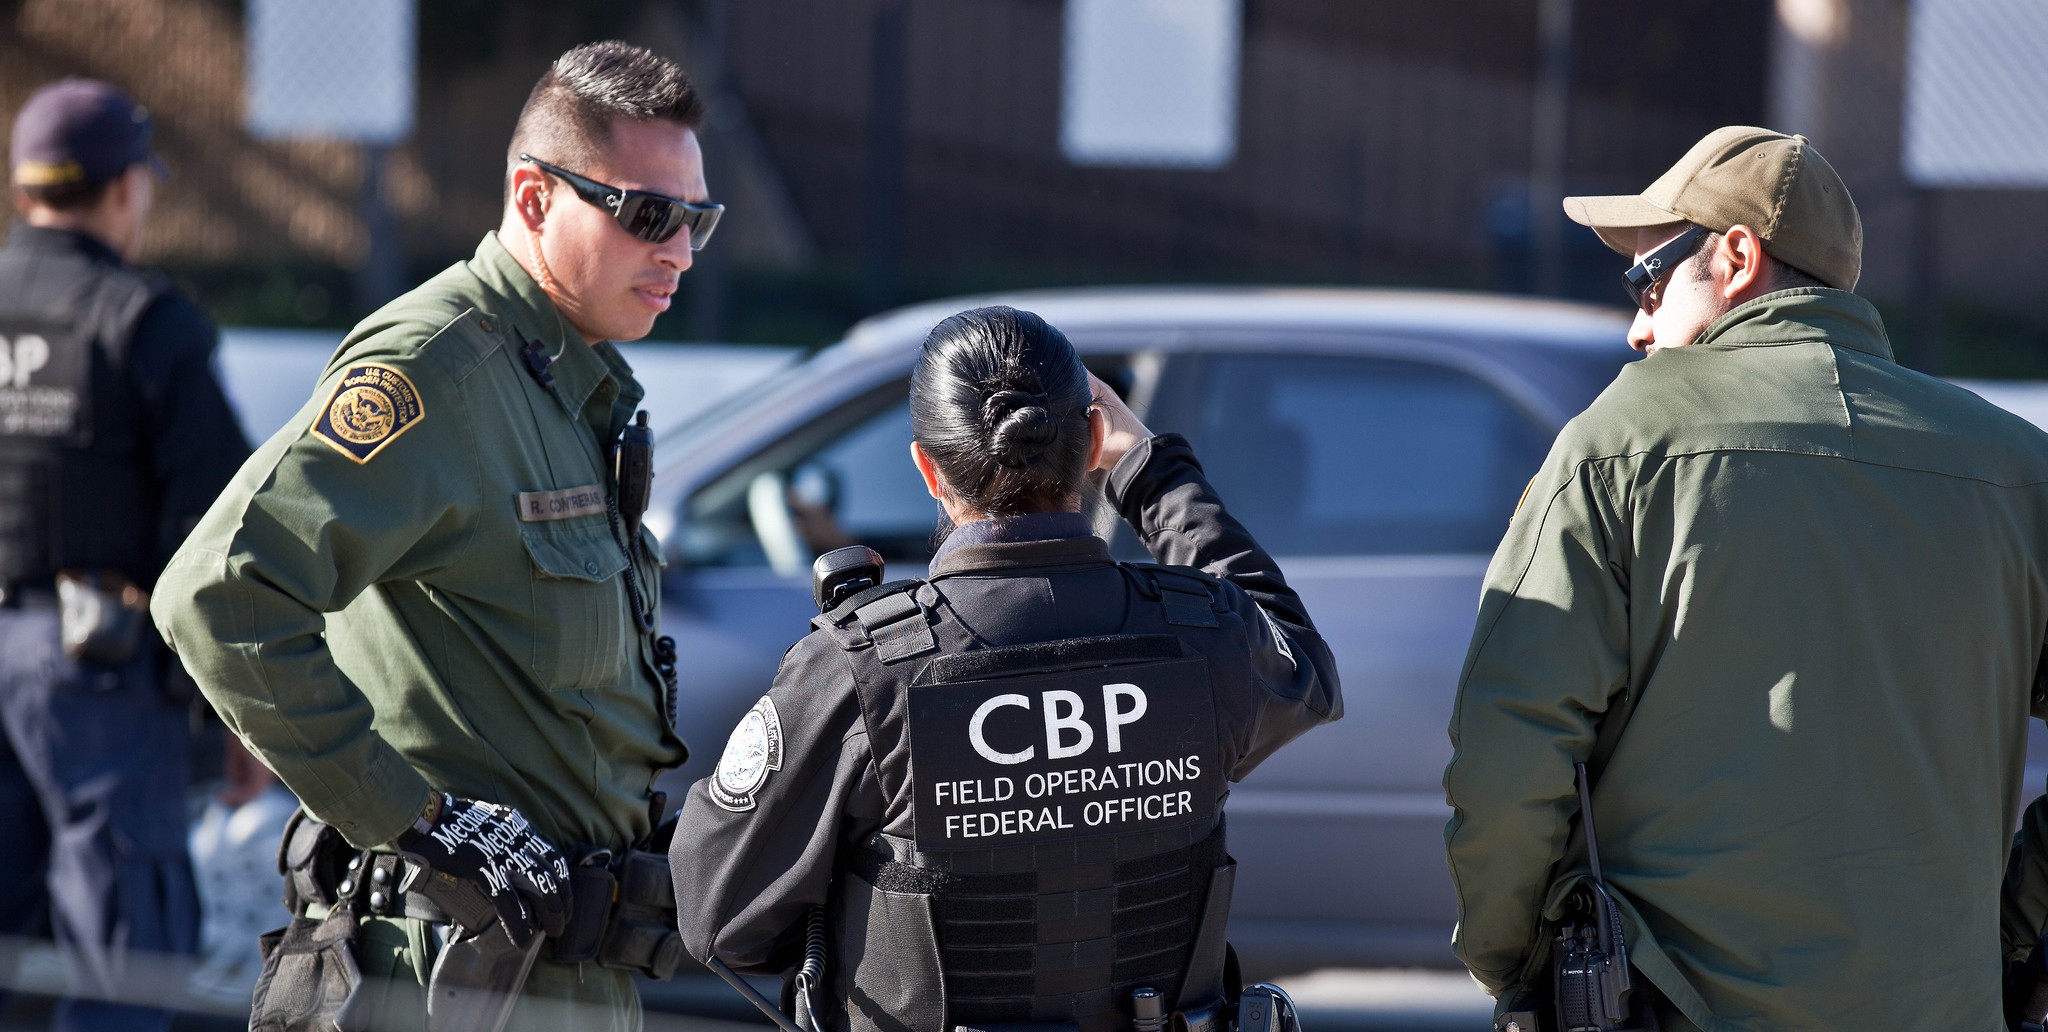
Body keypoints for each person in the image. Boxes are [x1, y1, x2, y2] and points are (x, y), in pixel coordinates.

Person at [150, 41, 722, 1030]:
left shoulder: (570, 382)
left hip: (561, 970)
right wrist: (416, 819)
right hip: (449, 978)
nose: (674, 249)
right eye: (646, 214)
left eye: (695, 221)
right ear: (534, 199)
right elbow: (217, 593)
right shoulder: (437, 370)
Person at [1443, 125, 2048, 1031]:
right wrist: (2011, 935)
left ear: (1735, 257)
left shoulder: (1620, 443)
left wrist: (1529, 965)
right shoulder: (2018, 467)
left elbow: (1509, 748)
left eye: (1646, 279)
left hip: (1676, 1003)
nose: (1637, 320)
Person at [669, 305, 1341, 1032]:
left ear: (928, 468)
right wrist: (1151, 472)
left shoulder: (864, 667)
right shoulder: (1206, 635)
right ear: (1090, 444)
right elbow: (1305, 663)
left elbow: (716, 918)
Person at [0, 78, 251, 1032]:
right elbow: (220, 535)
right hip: (93, 678)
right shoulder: (143, 320)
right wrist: (238, 710)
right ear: (122, 189)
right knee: (125, 953)